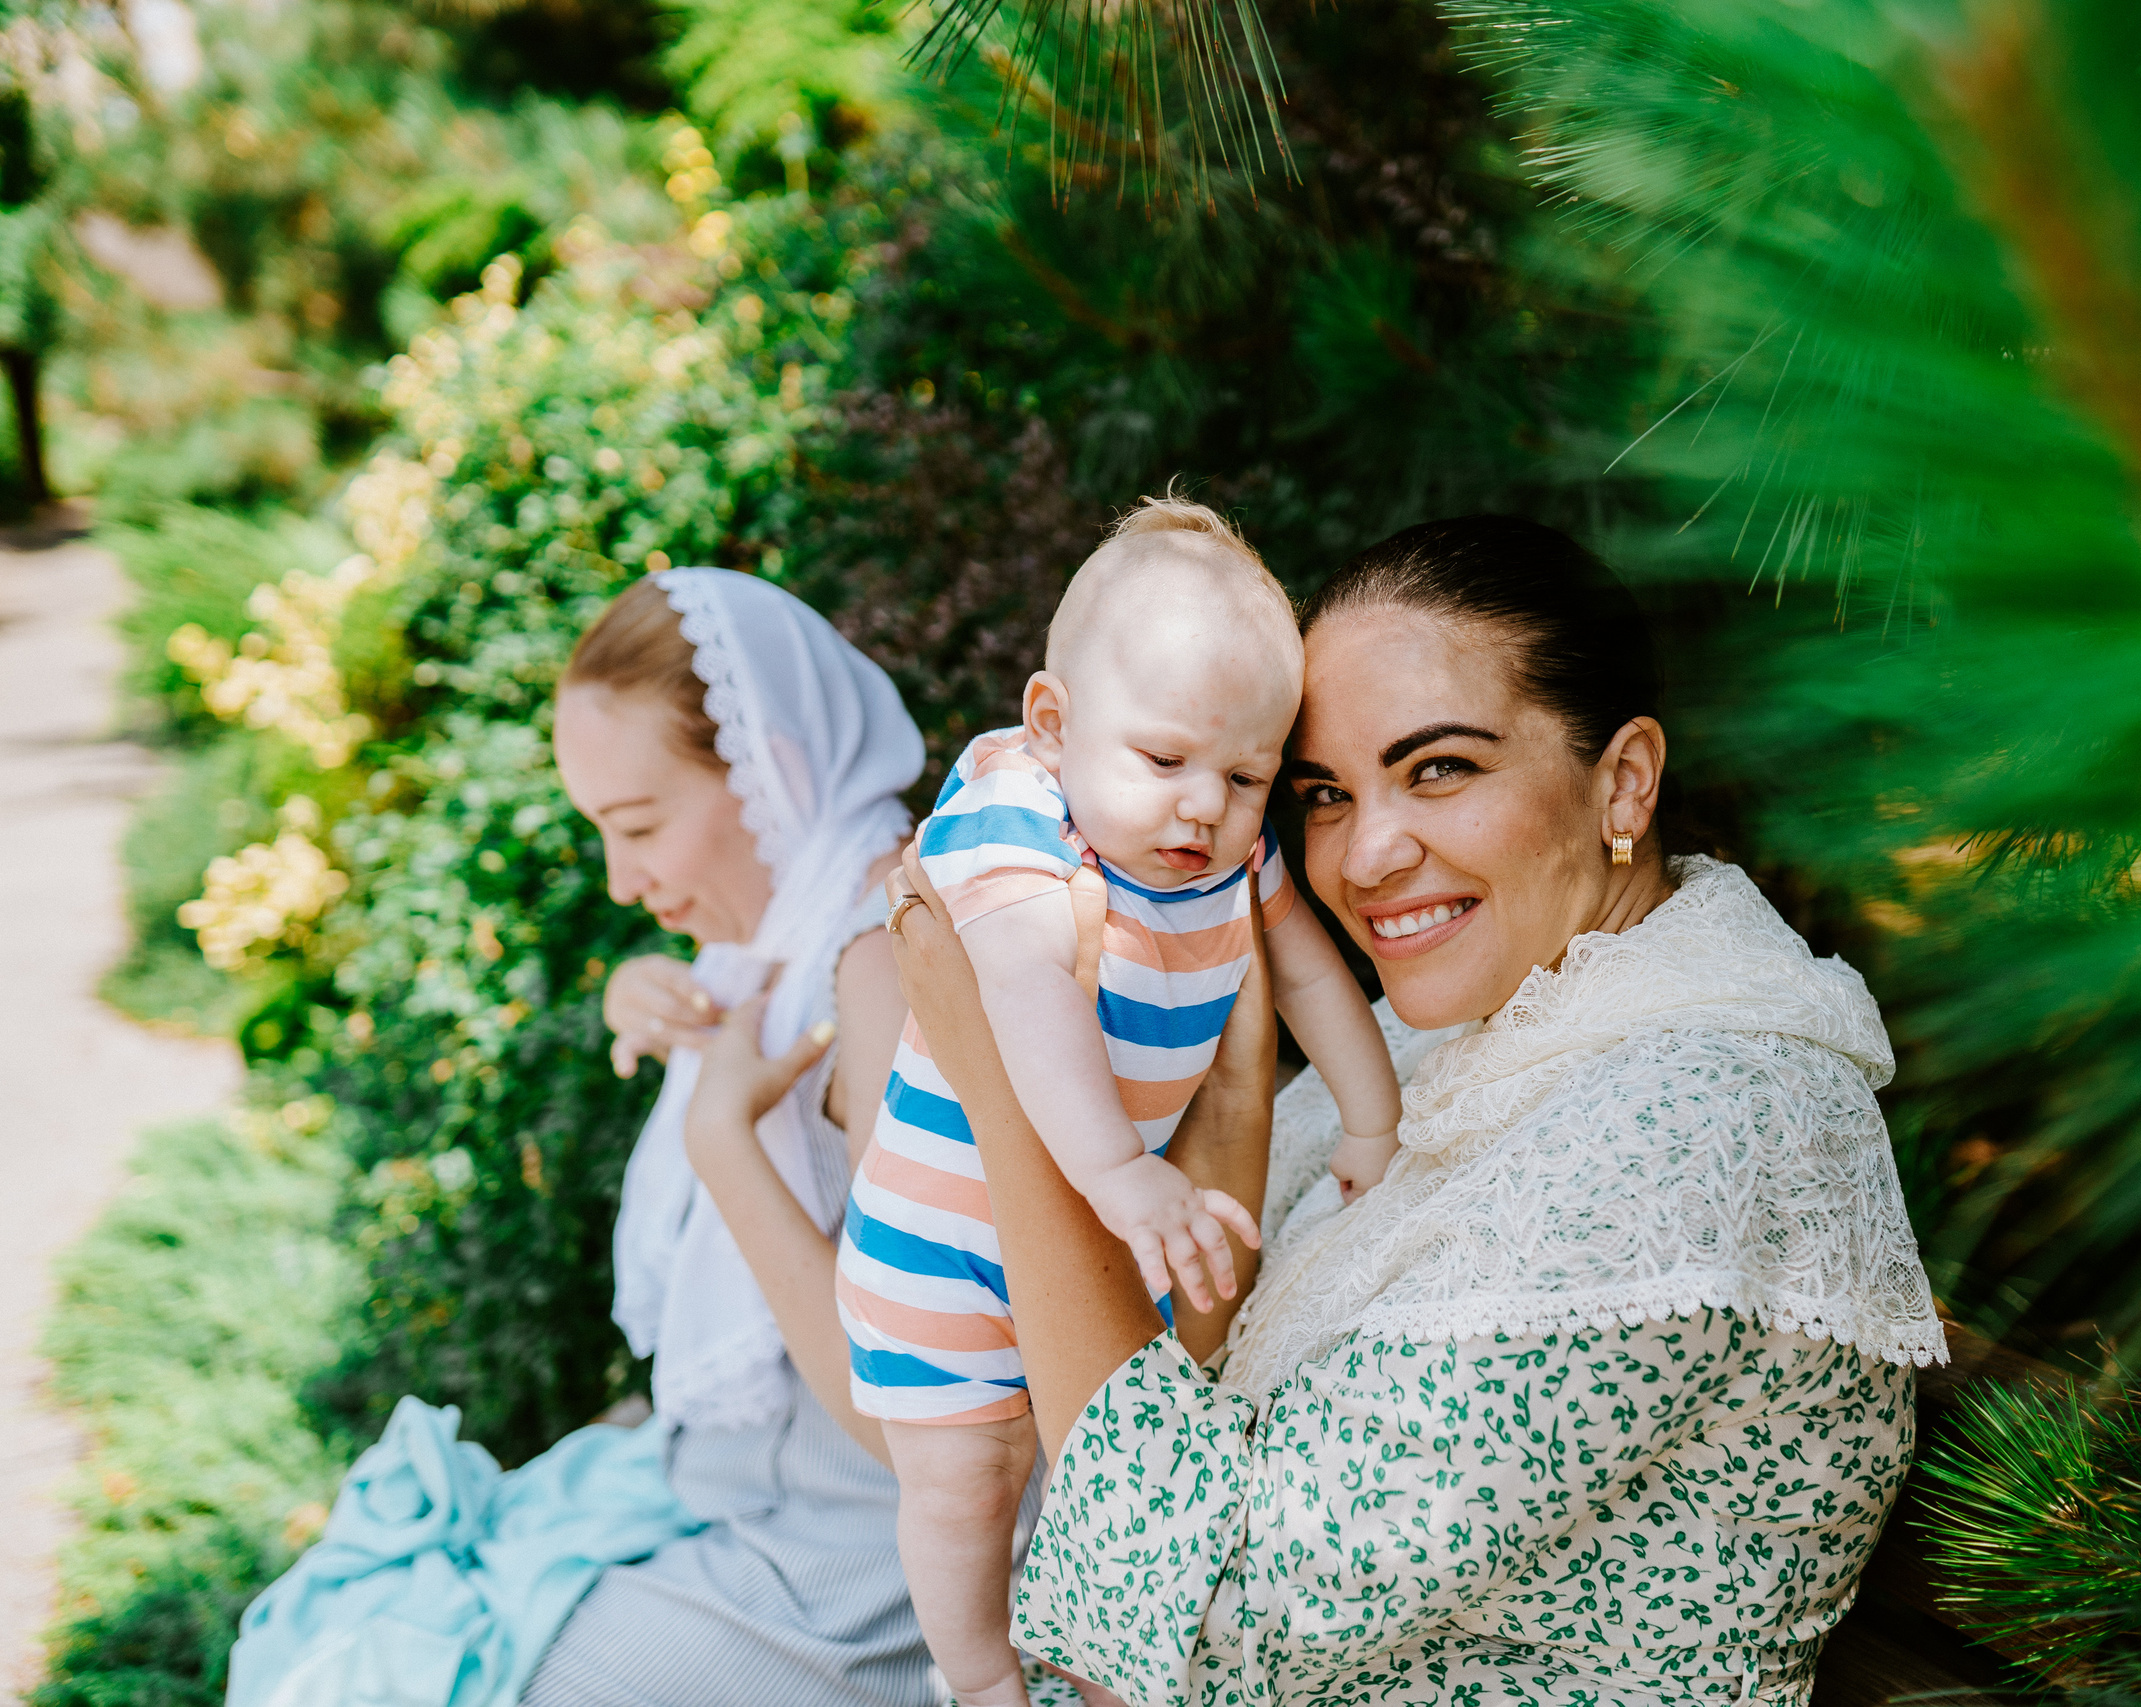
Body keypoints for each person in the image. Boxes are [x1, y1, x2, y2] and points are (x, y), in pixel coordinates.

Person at [881, 516, 1949, 1705]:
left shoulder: (1702, 1125)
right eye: (1324, 793)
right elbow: (1187, 1367)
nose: (1363, 854)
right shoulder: (1460, 1025)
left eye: (1439, 767)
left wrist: (1000, 1090)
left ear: (1624, 779)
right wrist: (1233, 1088)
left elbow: (1193, 1620)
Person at [228, 569, 937, 1707]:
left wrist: (720, 1140)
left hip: (852, 1567)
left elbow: (912, 1417)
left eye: (642, 826)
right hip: (725, 1486)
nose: (624, 881)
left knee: (396, 1680)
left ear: (774, 771)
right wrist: (669, 1011)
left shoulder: (881, 968)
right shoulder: (793, 925)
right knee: (354, 1634)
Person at [840, 497, 1403, 1707]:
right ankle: (982, 1679)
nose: (1204, 804)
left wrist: (1370, 1115)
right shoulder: (1013, 813)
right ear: (1053, 723)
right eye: (1163, 760)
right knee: (964, 1481)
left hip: (1100, 1220)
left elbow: (1303, 967)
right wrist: (1116, 1172)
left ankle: (1068, 1658)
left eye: (1246, 772)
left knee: (1083, 1465)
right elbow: (1029, 986)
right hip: (940, 1237)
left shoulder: (1223, 851)